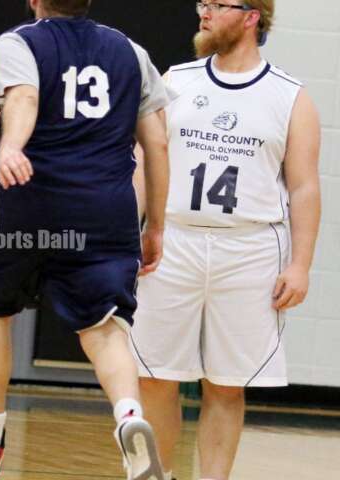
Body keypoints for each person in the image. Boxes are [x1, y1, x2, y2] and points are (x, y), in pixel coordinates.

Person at [0, 0, 172, 478]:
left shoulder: (19, 41)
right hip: (107, 212)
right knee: (106, 330)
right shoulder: (131, 51)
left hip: (34, 201)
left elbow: (22, 98)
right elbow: (158, 145)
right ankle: (129, 415)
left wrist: (11, 146)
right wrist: (157, 226)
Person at [130, 2, 321, 479]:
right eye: (203, 3)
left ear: (252, 15)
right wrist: (125, 234)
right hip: (172, 241)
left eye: (217, 4)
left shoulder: (290, 96)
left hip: (249, 250)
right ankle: (157, 475)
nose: (205, 12)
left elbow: (304, 187)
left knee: (227, 385)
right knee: (152, 375)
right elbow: (143, 160)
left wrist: (300, 265)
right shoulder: (178, 78)